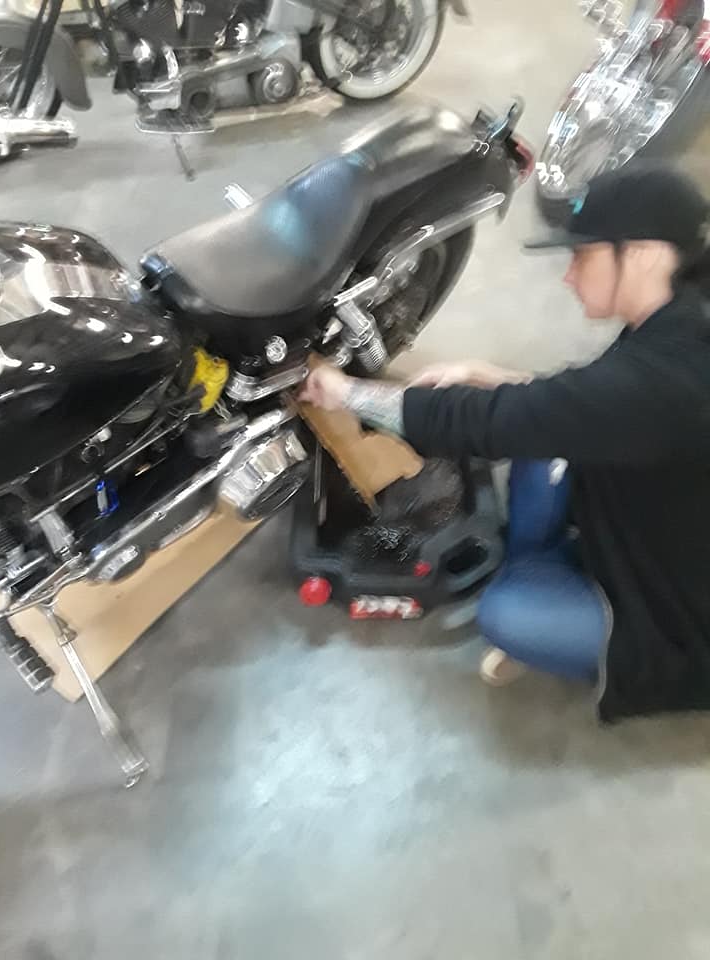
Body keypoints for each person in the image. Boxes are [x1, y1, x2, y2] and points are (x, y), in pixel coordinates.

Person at [299, 166, 710, 722]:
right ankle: (550, 569)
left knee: (509, 614)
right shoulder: (682, 319)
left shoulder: (670, 379)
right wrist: (491, 374)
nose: (568, 277)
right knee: (539, 445)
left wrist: (346, 393)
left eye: (582, 256)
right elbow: (593, 406)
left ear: (641, 255)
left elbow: (509, 417)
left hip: (678, 615)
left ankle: (561, 599)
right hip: (658, 517)